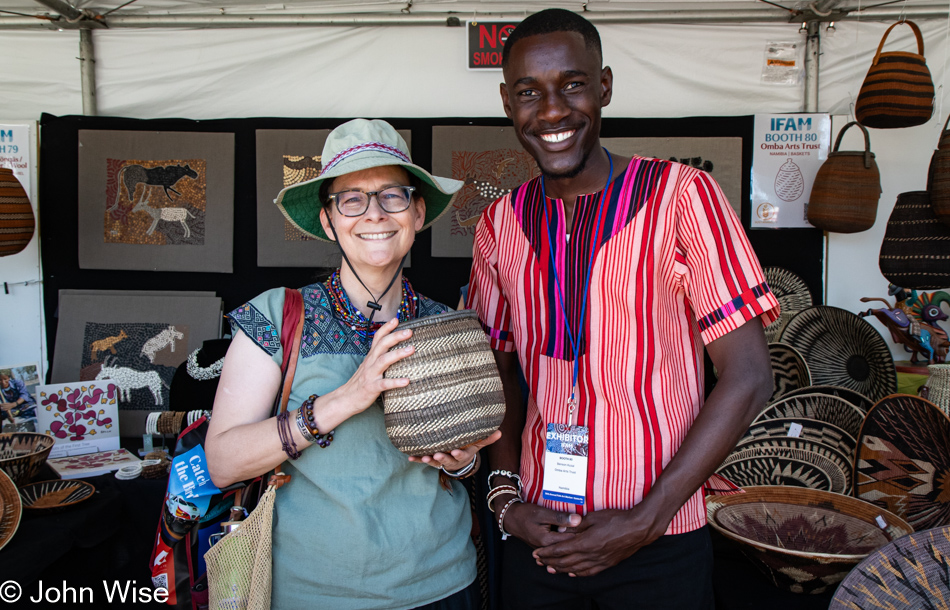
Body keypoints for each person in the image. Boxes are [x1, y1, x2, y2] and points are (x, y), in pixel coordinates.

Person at [466, 9, 779, 609]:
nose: (553, 111)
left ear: (604, 86)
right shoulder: (498, 224)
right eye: (530, 93)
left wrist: (645, 519)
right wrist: (507, 503)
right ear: (508, 103)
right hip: (541, 538)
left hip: (658, 541)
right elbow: (499, 370)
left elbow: (749, 376)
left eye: (573, 86)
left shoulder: (683, 197)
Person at [206, 119, 499, 610]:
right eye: (352, 199)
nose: (375, 214)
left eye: (393, 195)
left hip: (443, 584)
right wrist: (345, 398)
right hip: (314, 592)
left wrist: (463, 459)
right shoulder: (279, 316)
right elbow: (223, 464)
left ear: (418, 211)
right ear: (328, 221)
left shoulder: (448, 323)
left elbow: (467, 459)